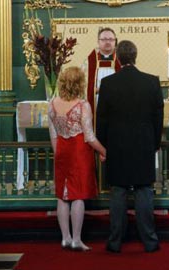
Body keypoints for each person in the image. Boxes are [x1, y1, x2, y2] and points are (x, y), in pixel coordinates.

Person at [96, 40, 164, 253]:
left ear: (117, 57)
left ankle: (115, 241)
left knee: (118, 192)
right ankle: (150, 242)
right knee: (144, 190)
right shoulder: (152, 82)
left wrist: (103, 146)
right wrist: (154, 144)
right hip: (144, 144)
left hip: (117, 146)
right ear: (136, 56)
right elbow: (158, 117)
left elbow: (102, 119)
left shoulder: (108, 84)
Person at [48, 66, 106, 251]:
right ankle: (77, 239)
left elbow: (53, 135)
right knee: (78, 195)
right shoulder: (83, 105)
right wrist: (104, 151)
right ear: (80, 84)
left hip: (61, 151)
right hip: (79, 152)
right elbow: (89, 137)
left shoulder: (52, 103)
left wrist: (59, 154)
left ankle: (65, 237)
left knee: (62, 195)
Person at [82, 27, 121, 127]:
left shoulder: (122, 60)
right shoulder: (89, 61)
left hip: (116, 103)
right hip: (96, 103)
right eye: (104, 39)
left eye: (111, 39)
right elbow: (82, 85)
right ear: (98, 42)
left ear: (115, 41)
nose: (107, 42)